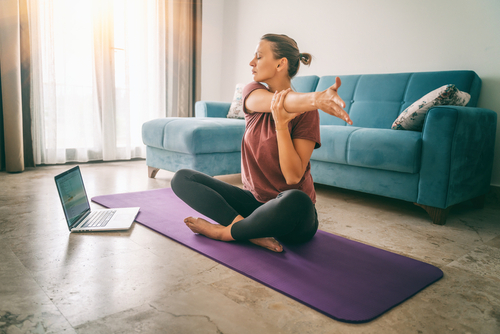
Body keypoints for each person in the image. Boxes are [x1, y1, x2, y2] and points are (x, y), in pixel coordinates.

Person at [171, 33, 352, 252]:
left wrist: (282, 126)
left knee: (297, 199)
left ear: (280, 64)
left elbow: (293, 176)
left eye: (258, 56)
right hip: (254, 205)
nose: (251, 62)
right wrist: (315, 99)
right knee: (182, 178)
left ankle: (225, 232)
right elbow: (280, 102)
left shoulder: (307, 114)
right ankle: (245, 229)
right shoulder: (252, 91)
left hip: (290, 215)